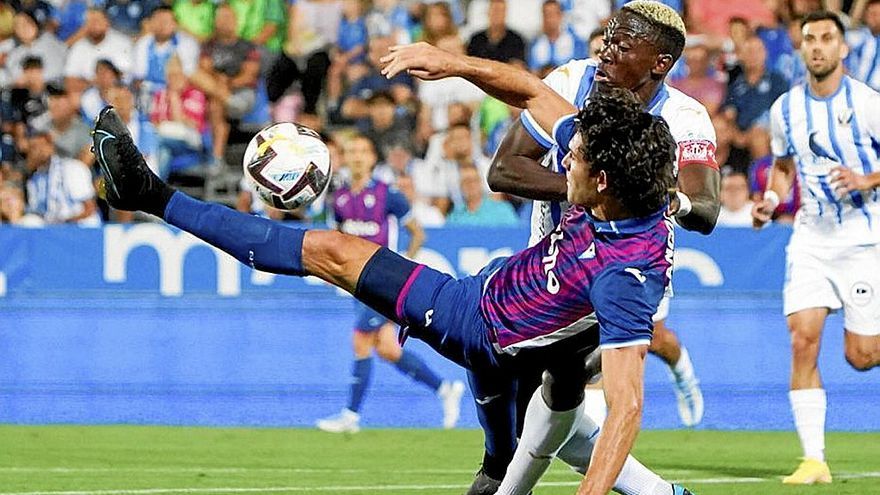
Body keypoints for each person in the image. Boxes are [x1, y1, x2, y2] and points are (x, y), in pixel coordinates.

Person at [91, 82, 694, 495]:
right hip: (484, 297)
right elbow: (534, 93)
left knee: (331, 252)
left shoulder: (626, 276)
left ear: (606, 181)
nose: (567, 162)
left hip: (478, 328)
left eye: (578, 159)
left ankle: (150, 195)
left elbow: (627, 404)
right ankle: (148, 192)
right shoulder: (626, 190)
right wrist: (456, 65)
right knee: (505, 450)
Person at [381, 2, 718, 492]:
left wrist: (666, 197)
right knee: (551, 391)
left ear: (659, 63)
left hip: (620, 274)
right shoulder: (572, 83)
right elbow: (504, 169)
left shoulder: (685, 118)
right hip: (550, 271)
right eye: (607, 37)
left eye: (623, 44)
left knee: (561, 386)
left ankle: (502, 473)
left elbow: (705, 209)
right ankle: (651, 490)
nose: (607, 49)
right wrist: (582, 188)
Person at [752, 10, 880, 485]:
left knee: (861, 356)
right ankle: (814, 460)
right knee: (802, 339)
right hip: (810, 239)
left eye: (828, 38)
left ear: (843, 48)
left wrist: (866, 178)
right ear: (801, 48)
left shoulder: (867, 104)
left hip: (864, 240)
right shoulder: (785, 108)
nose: (818, 47)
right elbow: (783, 166)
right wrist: (769, 200)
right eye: (810, 39)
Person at [315, 134, 465, 433]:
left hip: (380, 281)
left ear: (372, 158)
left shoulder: (388, 194)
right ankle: (445, 388)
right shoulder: (339, 198)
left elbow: (417, 233)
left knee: (360, 339)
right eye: (351, 150)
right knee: (386, 348)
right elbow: (336, 241)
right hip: (355, 284)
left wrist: (399, 265)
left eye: (362, 150)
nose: (357, 156)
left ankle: (350, 416)